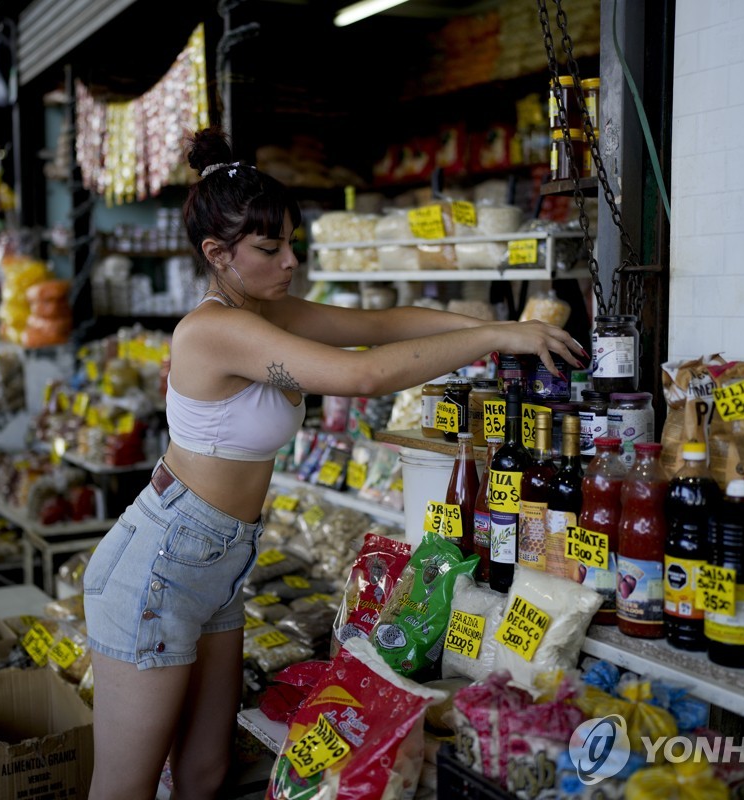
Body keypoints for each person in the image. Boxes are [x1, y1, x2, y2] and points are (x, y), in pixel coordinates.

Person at [82, 127, 587, 799]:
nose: (291, 260)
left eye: (294, 242)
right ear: (217, 255)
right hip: (161, 564)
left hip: (217, 562)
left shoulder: (267, 310)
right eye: (270, 248)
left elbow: (376, 330)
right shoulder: (213, 329)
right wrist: (497, 333)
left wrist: (482, 319)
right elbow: (367, 377)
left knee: (205, 769)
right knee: (126, 788)